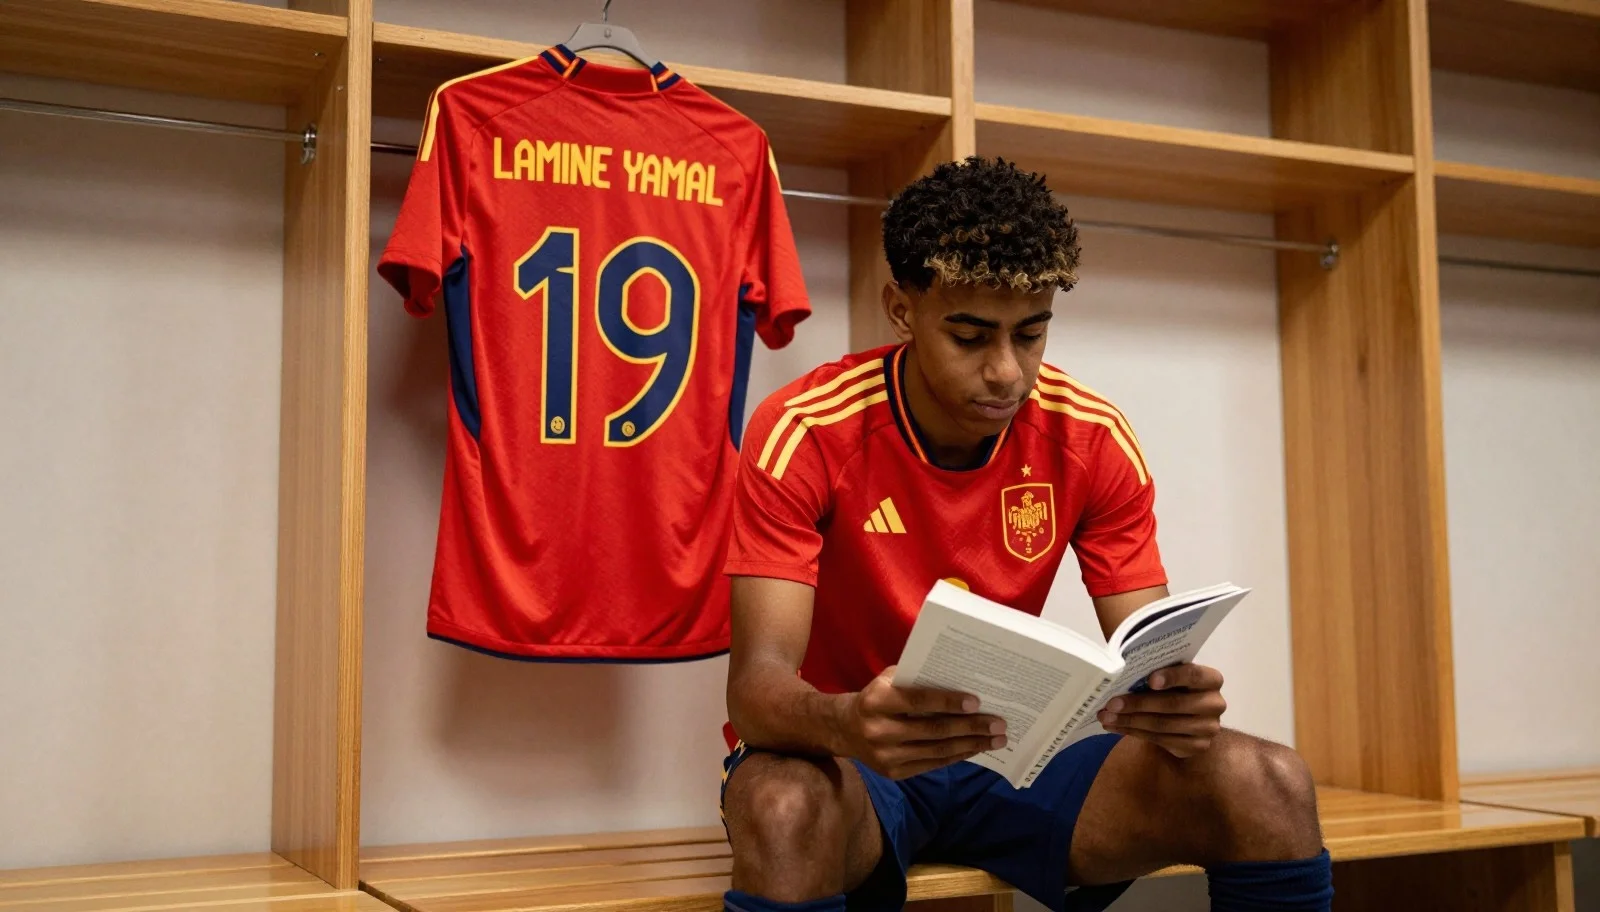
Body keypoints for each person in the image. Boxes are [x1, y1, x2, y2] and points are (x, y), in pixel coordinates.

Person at [718, 157, 1331, 912]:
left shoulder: (1091, 437)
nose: (1007, 372)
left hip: (1011, 757)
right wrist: (846, 721)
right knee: (781, 809)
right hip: (854, 765)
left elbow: (1149, 648)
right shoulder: (804, 432)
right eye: (971, 336)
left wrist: (1170, 700)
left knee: (1270, 782)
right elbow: (756, 690)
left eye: (1030, 334)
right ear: (901, 310)